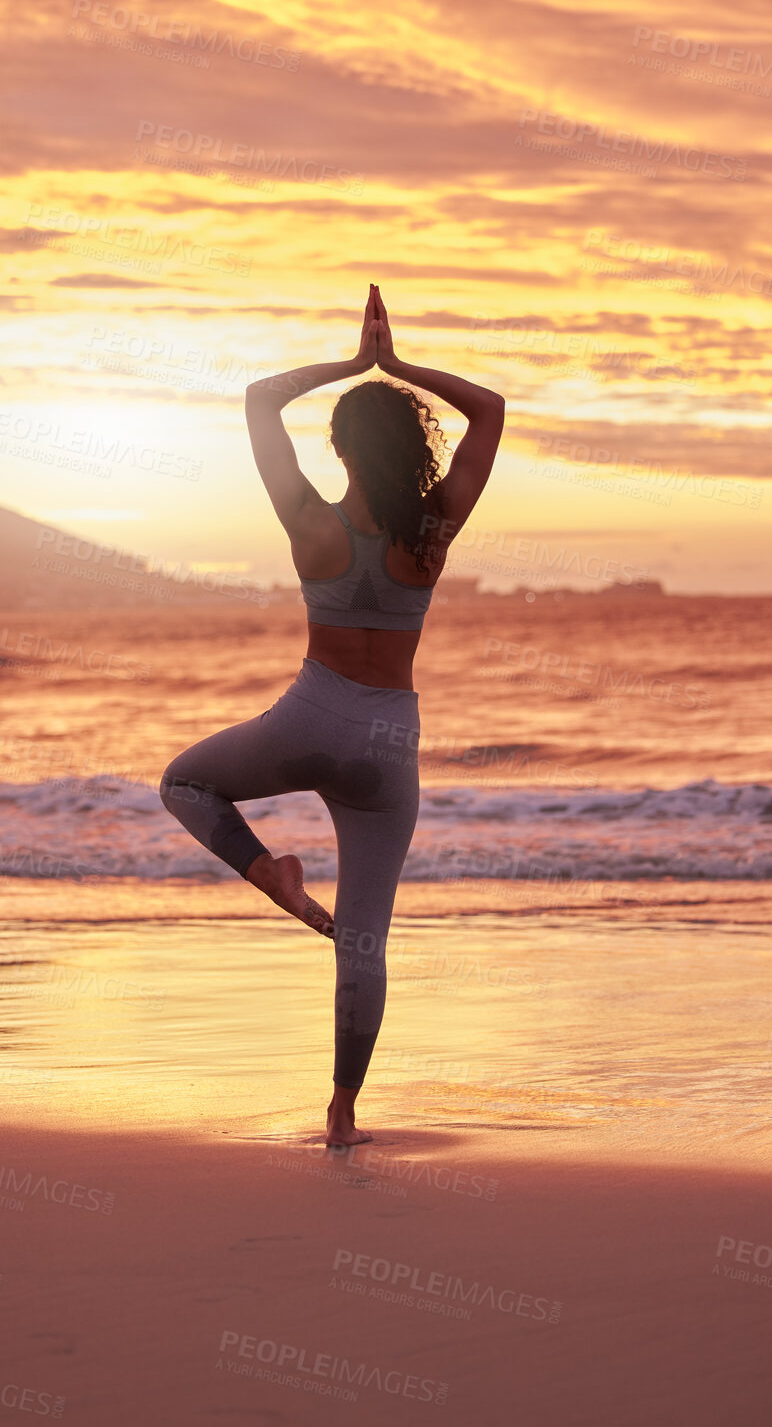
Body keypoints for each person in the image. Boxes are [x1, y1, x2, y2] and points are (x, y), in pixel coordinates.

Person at [160, 285, 505, 1145]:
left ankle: (267, 872)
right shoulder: (433, 527)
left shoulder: (308, 518)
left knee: (186, 781)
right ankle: (344, 1113)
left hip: (310, 714)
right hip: (389, 741)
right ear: (415, 450)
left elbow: (257, 399)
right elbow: (492, 412)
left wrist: (350, 365)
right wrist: (400, 364)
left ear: (342, 446)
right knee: (363, 944)